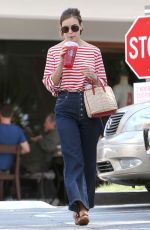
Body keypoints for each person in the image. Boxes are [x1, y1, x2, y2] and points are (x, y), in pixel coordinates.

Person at [42, 8, 107, 225]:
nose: (70, 33)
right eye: (65, 29)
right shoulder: (53, 52)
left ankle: (84, 206)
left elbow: (104, 83)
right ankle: (80, 208)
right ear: (60, 31)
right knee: (73, 159)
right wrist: (61, 63)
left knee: (88, 161)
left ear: (81, 27)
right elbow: (50, 85)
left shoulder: (94, 52)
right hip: (65, 106)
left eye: (74, 28)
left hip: (89, 105)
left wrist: (94, 78)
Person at [0, 103, 30, 171]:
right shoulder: (17, 130)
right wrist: (17, 152)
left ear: (0, 114)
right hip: (9, 167)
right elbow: (27, 149)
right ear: (12, 115)